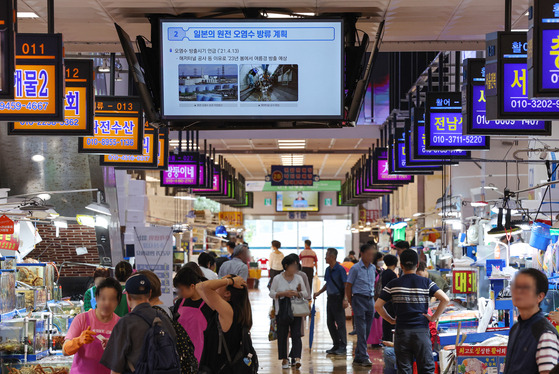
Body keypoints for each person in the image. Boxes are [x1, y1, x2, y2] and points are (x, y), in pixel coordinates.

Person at [375, 249, 450, 374]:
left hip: (402, 333)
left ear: (402, 265)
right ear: (417, 265)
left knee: (404, 370)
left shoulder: (393, 284)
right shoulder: (426, 282)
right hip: (421, 332)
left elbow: (378, 305)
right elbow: (445, 299)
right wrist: (433, 318)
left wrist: (391, 320)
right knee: (426, 369)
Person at [100, 274, 177, 374]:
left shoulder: (125, 323)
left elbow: (116, 370)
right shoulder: (163, 318)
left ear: (127, 295)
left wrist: (115, 345)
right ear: (149, 293)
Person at [505, 269, 559, 374]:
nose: (518, 291)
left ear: (540, 296)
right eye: (515, 286)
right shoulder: (515, 328)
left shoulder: (545, 334)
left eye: (525, 287)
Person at [64, 278, 122, 374]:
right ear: (96, 298)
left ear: (118, 301)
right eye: (103, 298)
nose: (107, 303)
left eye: (112, 299)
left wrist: (114, 347)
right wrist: (78, 341)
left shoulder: (121, 324)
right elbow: (65, 351)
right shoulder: (81, 319)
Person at [196, 275, 253, 373]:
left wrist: (229, 281)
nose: (219, 282)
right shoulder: (228, 310)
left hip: (221, 368)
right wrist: (228, 280)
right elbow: (198, 287)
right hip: (223, 367)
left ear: (227, 293)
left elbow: (205, 286)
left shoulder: (227, 311)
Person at [270, 255, 308, 369]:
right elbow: (271, 293)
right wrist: (283, 293)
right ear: (286, 266)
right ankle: (284, 359)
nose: (295, 268)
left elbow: (305, 293)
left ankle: (297, 358)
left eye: (296, 265)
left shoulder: (298, 278)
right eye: (293, 265)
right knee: (282, 335)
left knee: (296, 334)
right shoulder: (277, 278)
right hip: (281, 310)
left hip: (296, 310)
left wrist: (297, 293)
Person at [173, 266, 215, 364]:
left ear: (192, 286)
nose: (180, 293)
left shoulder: (208, 305)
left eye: (181, 289)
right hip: (181, 352)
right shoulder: (180, 303)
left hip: (202, 354)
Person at [345, 243, 377, 367]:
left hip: (370, 300)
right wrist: (350, 301)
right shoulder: (355, 268)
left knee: (367, 329)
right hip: (358, 299)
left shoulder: (373, 268)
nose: (371, 257)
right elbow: (348, 285)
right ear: (362, 254)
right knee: (362, 330)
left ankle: (358, 355)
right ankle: (364, 356)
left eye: (372, 255)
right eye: (368, 254)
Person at [313, 248, 348, 356]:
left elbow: (346, 284)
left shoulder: (340, 269)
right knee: (330, 323)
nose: (325, 257)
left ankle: (343, 346)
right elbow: (327, 284)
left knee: (340, 323)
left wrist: (345, 299)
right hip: (330, 299)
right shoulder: (328, 270)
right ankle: (336, 344)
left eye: (327, 255)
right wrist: (318, 292)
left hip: (338, 298)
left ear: (332, 257)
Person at [368, 252, 385, 346]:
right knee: (375, 321)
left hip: (381, 299)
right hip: (373, 298)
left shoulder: (382, 270)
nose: (381, 261)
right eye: (380, 259)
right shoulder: (372, 271)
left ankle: (379, 340)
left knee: (380, 321)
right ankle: (374, 341)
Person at [381, 254, 398, 342]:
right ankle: (390, 341)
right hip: (391, 301)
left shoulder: (384, 272)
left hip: (384, 300)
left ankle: (385, 339)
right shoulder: (392, 275)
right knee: (391, 322)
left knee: (386, 321)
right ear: (395, 264)